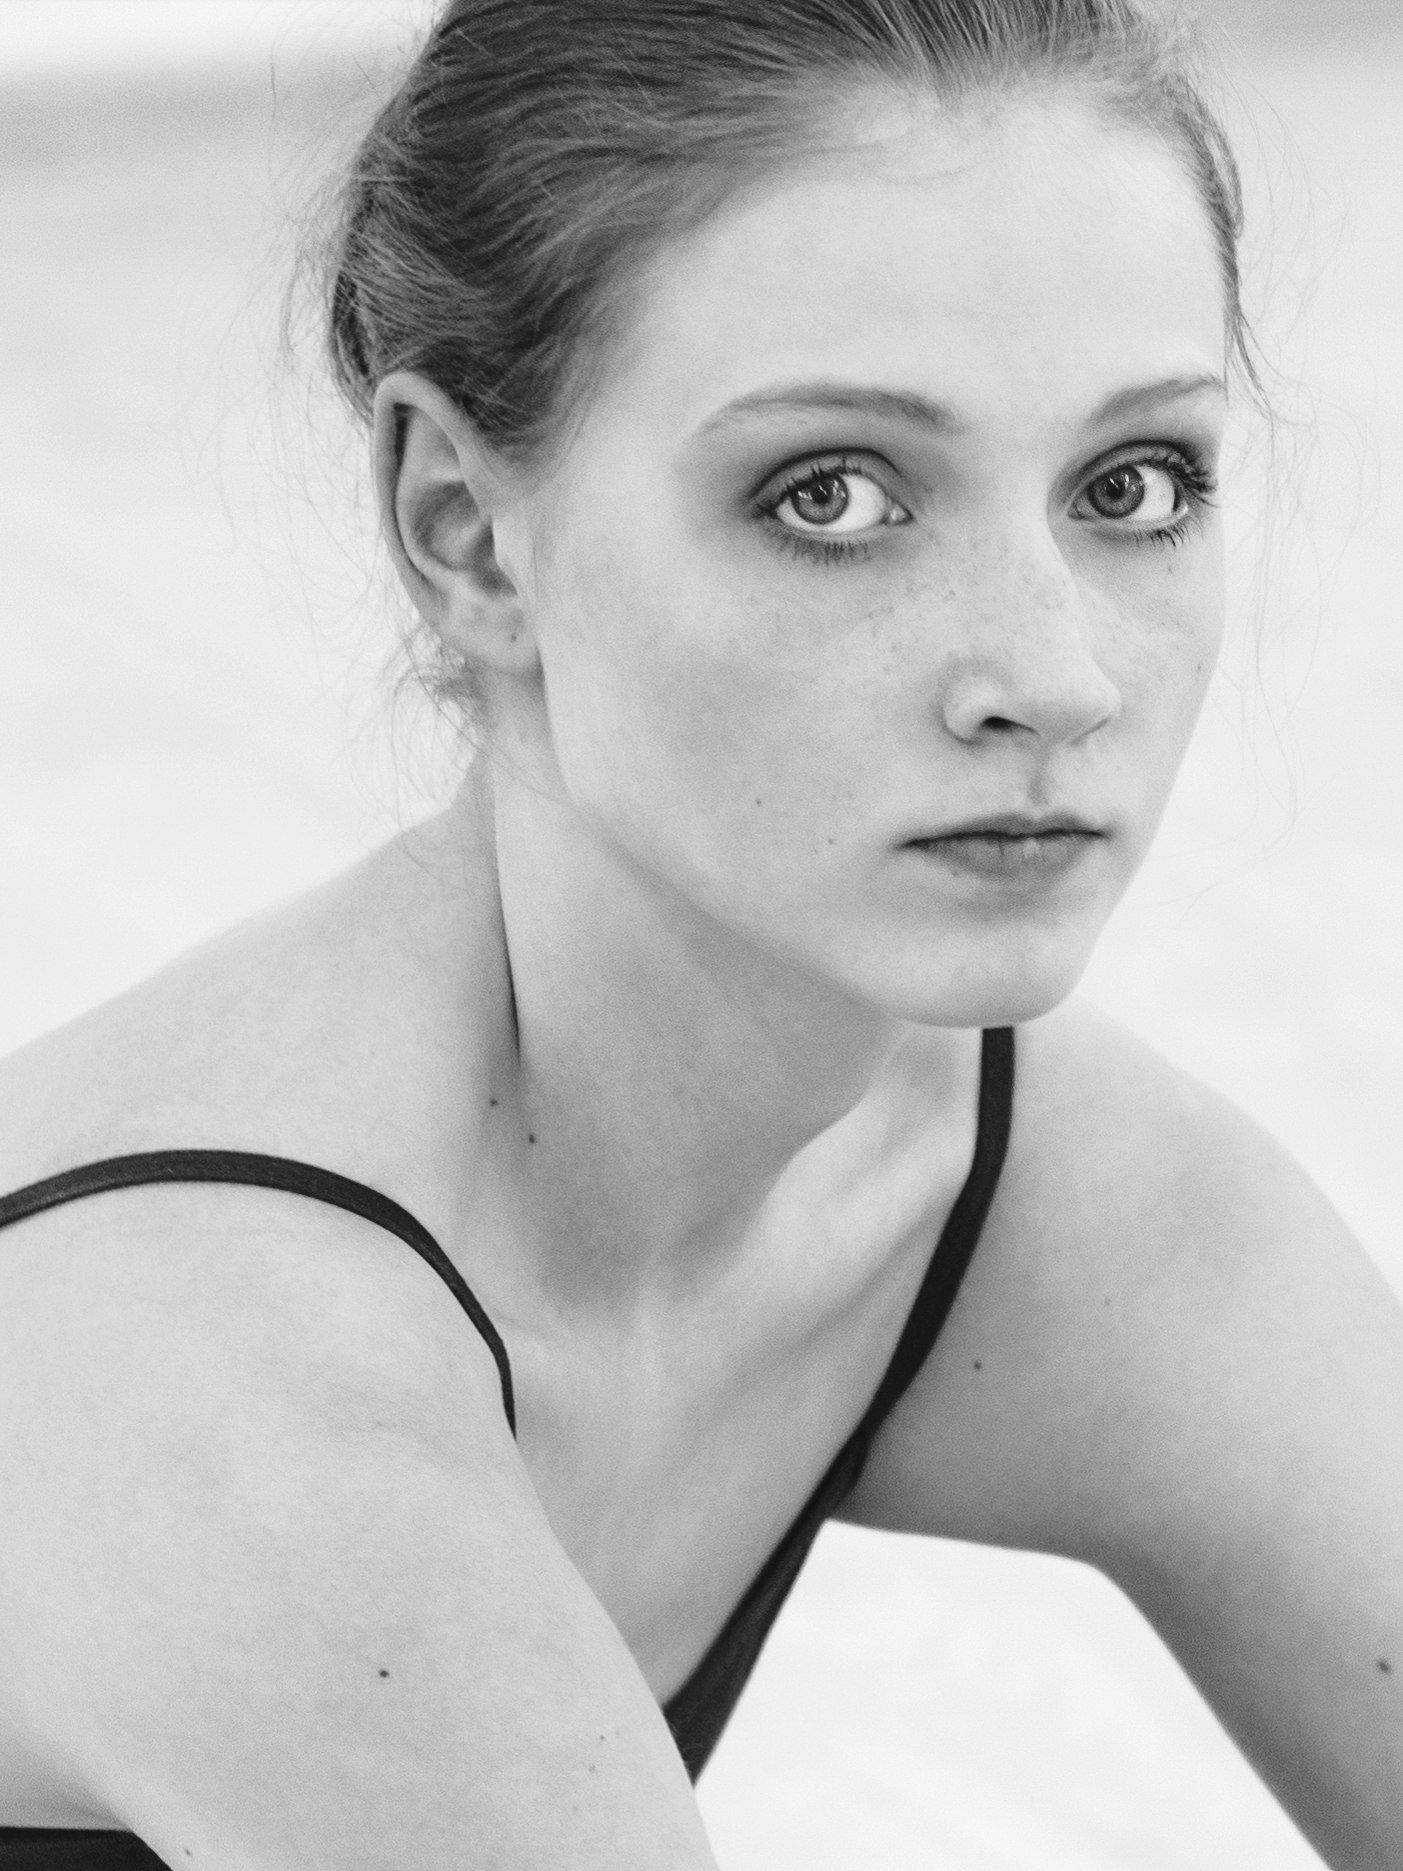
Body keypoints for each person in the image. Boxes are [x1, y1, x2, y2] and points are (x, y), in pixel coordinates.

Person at [0, 0, 1398, 1865]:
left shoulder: (1008, 1165)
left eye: (1134, 485)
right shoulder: (217, 1378)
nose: (1055, 674)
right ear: (465, 530)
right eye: (834, 497)